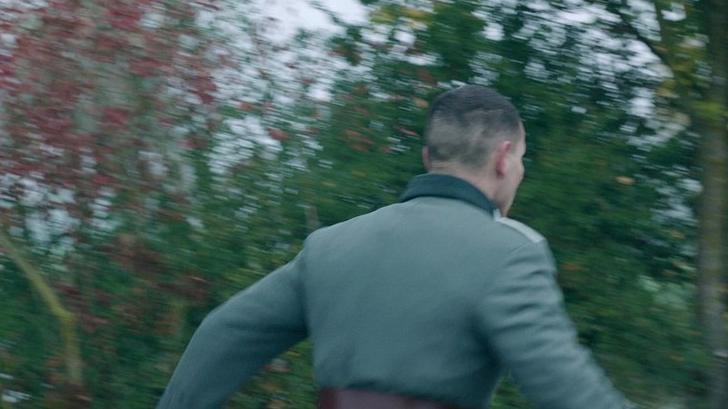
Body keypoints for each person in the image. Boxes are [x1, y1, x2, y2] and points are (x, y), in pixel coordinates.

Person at [157, 85, 633, 409]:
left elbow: (222, 333)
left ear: (429, 158)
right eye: (523, 158)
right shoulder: (510, 253)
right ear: (504, 158)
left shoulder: (330, 244)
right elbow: (565, 389)